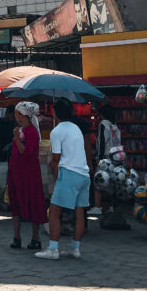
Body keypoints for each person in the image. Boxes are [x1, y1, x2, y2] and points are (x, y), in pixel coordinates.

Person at [36, 99, 91, 260]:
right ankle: (75, 248)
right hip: (83, 174)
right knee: (80, 211)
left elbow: (56, 158)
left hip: (68, 173)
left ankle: (53, 248)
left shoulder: (57, 131)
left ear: (54, 113)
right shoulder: (76, 128)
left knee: (54, 212)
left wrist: (53, 174)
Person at [7, 101, 47, 249]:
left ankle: (35, 238)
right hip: (16, 173)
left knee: (33, 202)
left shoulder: (31, 132)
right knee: (15, 202)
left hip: (29, 173)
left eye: (18, 113)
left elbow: (27, 152)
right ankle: (16, 237)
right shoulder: (20, 129)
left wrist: (17, 138)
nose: (16, 116)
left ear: (23, 114)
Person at [89, 103, 122, 215]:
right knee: (113, 180)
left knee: (99, 181)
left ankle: (97, 206)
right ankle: (112, 206)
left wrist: (99, 157)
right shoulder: (115, 125)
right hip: (116, 157)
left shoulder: (103, 124)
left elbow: (102, 141)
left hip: (106, 156)